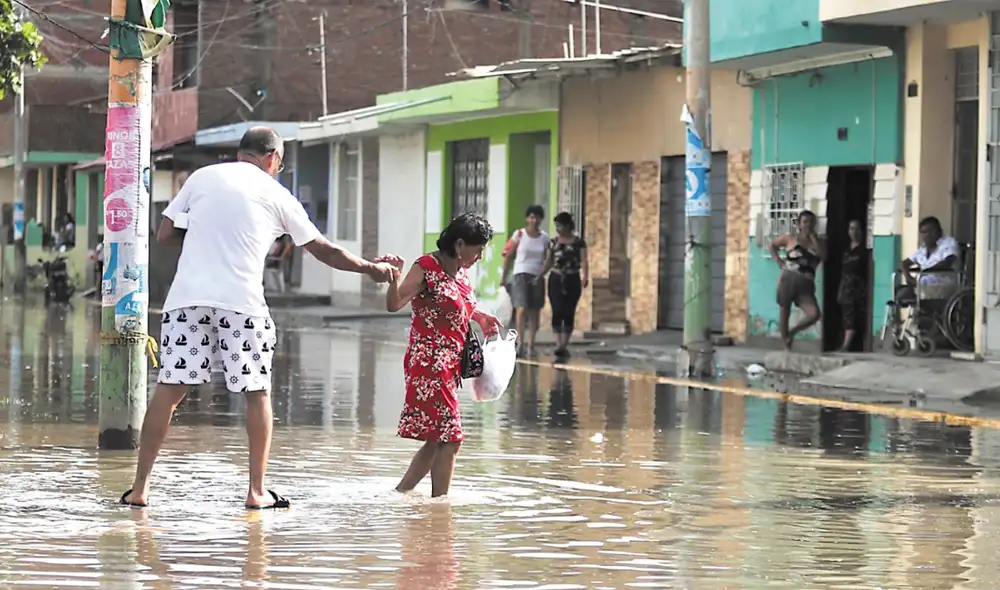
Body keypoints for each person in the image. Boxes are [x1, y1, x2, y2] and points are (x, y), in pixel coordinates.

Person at [119, 126, 400, 510]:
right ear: (272, 158)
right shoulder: (276, 193)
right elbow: (323, 249)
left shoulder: (202, 178)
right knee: (257, 393)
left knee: (169, 390)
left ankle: (140, 489)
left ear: (241, 151)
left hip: (186, 301)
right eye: (279, 163)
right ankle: (255, 491)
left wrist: (208, 235)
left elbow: (164, 233)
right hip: (242, 305)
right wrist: (370, 268)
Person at [385, 213, 503, 498]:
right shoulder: (426, 266)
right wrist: (394, 278)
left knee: (437, 440)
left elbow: (457, 306)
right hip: (428, 362)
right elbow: (394, 303)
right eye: (478, 249)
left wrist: (481, 315)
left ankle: (401, 494)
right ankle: (440, 507)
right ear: (460, 244)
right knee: (450, 440)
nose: (480, 256)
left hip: (451, 364)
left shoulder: (460, 271)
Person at [769, 210, 825, 350]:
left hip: (806, 284)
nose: (808, 225)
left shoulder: (820, 242)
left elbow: (824, 257)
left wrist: (814, 240)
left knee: (814, 314)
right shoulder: (791, 238)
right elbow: (772, 245)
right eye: (805, 222)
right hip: (788, 278)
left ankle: (792, 332)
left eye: (811, 222)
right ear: (799, 224)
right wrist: (778, 261)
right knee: (784, 311)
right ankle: (786, 344)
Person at [539, 211, 589, 358]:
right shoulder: (553, 242)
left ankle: (564, 344)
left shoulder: (579, 242)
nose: (558, 228)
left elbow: (584, 260)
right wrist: (540, 275)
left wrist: (585, 276)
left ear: (568, 226)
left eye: (560, 225)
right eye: (557, 226)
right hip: (556, 278)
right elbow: (548, 261)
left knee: (569, 311)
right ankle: (558, 343)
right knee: (557, 310)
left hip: (572, 278)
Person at [502, 205, 549, 356]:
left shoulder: (544, 238)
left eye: (537, 217)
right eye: (531, 217)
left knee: (535, 310)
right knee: (521, 309)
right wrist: (504, 276)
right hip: (520, 274)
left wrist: (541, 273)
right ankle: (521, 342)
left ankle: (531, 344)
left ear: (541, 219)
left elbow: (549, 258)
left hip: (537, 275)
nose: (534, 220)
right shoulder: (519, 234)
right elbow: (509, 255)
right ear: (527, 218)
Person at [896, 215, 959, 302]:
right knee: (901, 293)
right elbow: (904, 263)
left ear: (940, 231)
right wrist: (908, 277)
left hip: (943, 283)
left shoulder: (948, 242)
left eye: (930, 231)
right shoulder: (922, 249)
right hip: (922, 285)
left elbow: (948, 262)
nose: (927, 235)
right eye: (924, 232)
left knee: (911, 289)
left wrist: (926, 271)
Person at [837, 219, 869, 352]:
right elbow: (843, 271)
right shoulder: (846, 249)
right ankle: (846, 345)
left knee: (858, 316)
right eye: (851, 229)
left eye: (857, 229)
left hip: (859, 287)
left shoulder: (865, 249)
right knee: (848, 315)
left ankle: (850, 345)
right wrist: (840, 289)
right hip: (847, 286)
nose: (854, 232)